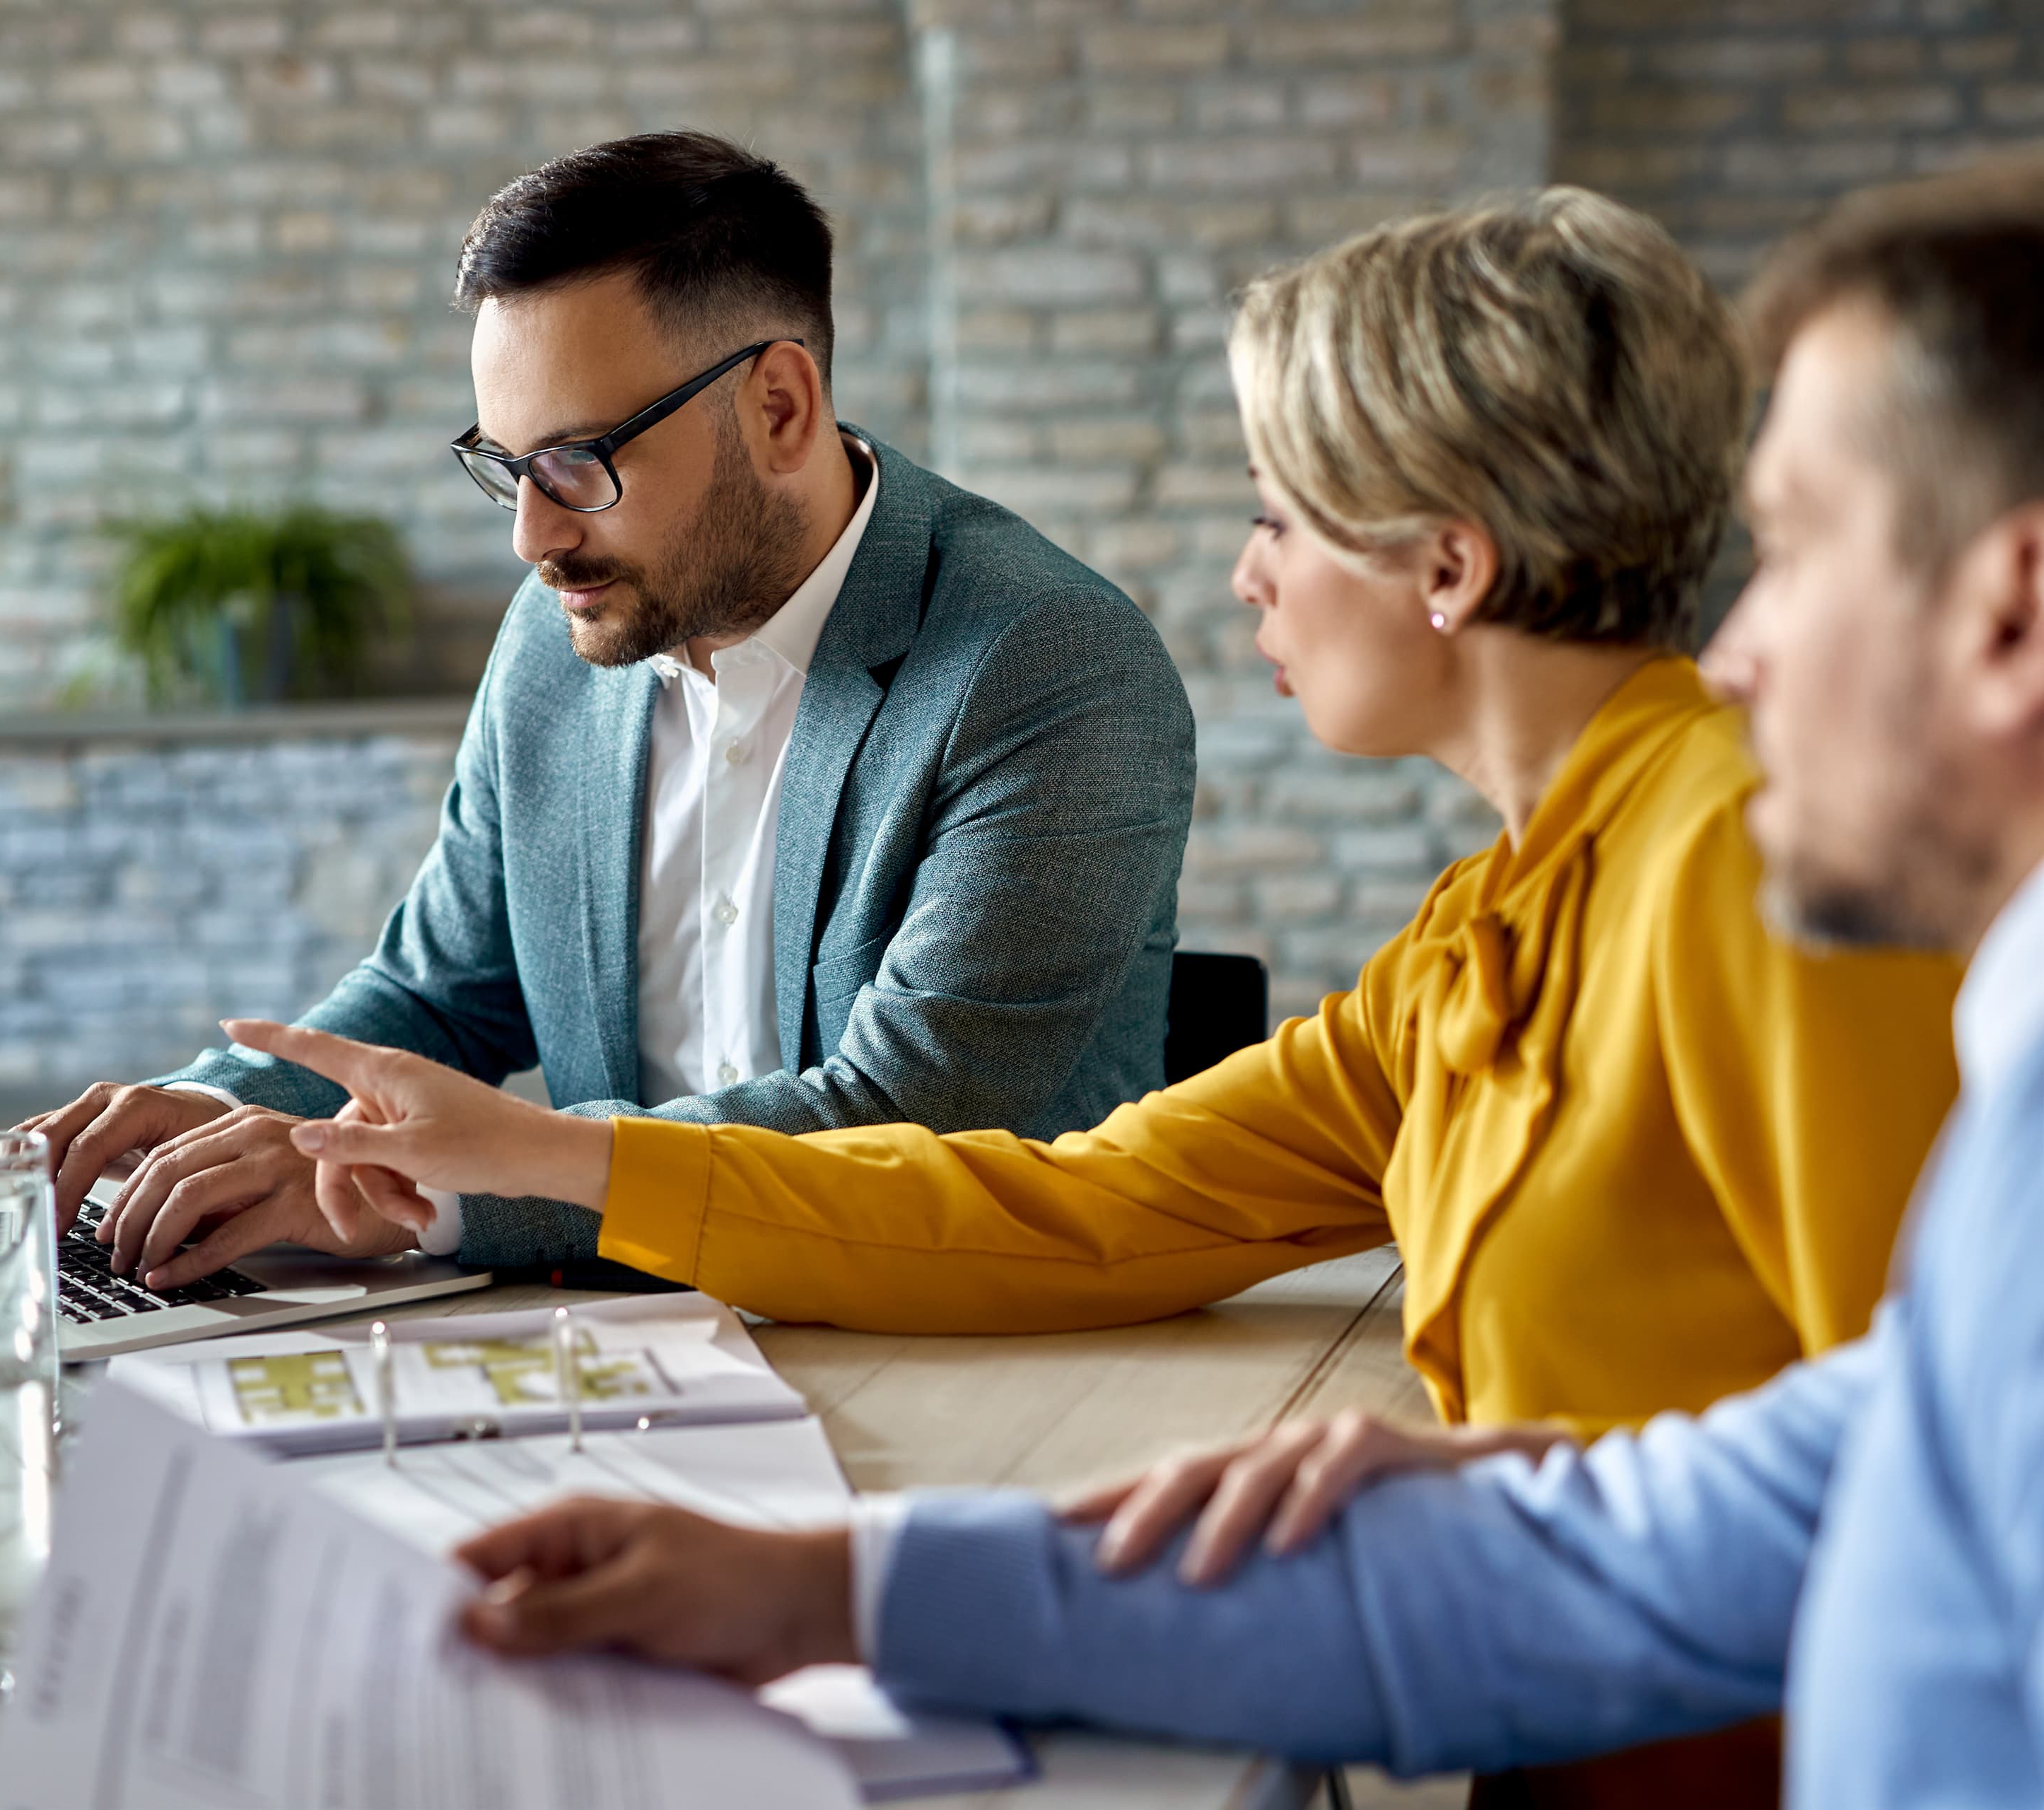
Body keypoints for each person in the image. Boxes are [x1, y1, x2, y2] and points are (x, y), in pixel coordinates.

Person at [292, 160, 2044, 1807]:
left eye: (1285, 512)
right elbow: (1094, 1203)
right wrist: (557, 1160)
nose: (1246, 570)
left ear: (1448, 565)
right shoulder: (1495, 921)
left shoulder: (1739, 860)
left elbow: (1924, 1514)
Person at [17, 130, 1194, 1283]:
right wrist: (212, 1111)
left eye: (581, 461)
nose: (534, 538)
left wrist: (412, 1193)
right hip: (628, 1351)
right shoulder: (560, 634)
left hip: (965, 1349)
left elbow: (904, 1126)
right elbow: (443, 992)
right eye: (508, 465)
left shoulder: (1047, 664)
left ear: (780, 406)